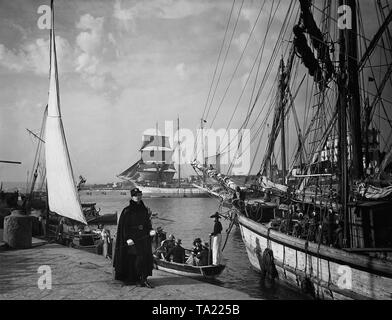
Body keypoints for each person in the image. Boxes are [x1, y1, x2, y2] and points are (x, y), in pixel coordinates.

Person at [113, 188, 154, 288]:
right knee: (135, 258)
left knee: (145, 257)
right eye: (136, 195)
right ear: (132, 197)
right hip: (133, 238)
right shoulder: (127, 210)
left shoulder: (144, 209)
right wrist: (127, 238)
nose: (138, 197)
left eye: (139, 195)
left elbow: (147, 222)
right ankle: (134, 278)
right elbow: (124, 226)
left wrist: (150, 230)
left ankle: (143, 278)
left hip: (144, 237)